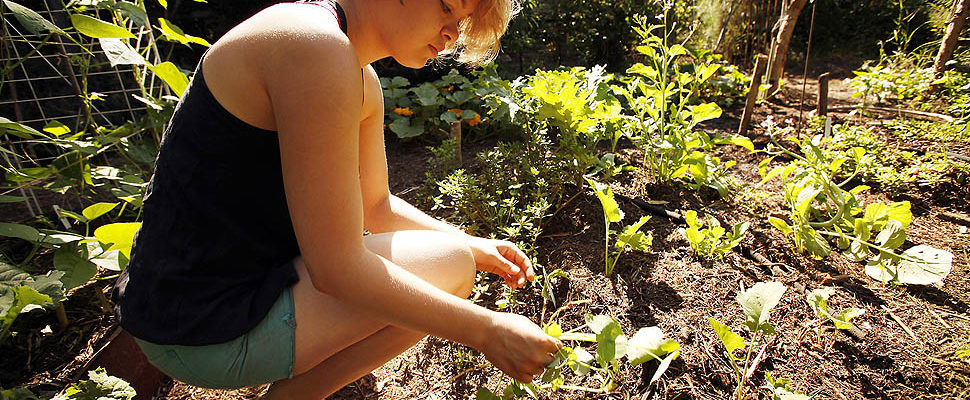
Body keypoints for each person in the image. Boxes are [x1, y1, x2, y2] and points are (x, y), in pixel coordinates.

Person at [111, 0, 561, 398]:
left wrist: (473, 243)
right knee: (450, 265)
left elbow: (376, 207)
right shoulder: (313, 46)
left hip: (189, 306)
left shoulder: (356, 74)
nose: (452, 34)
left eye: (461, 22)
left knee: (456, 256)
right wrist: (487, 331)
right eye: (447, 7)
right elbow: (336, 269)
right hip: (201, 325)